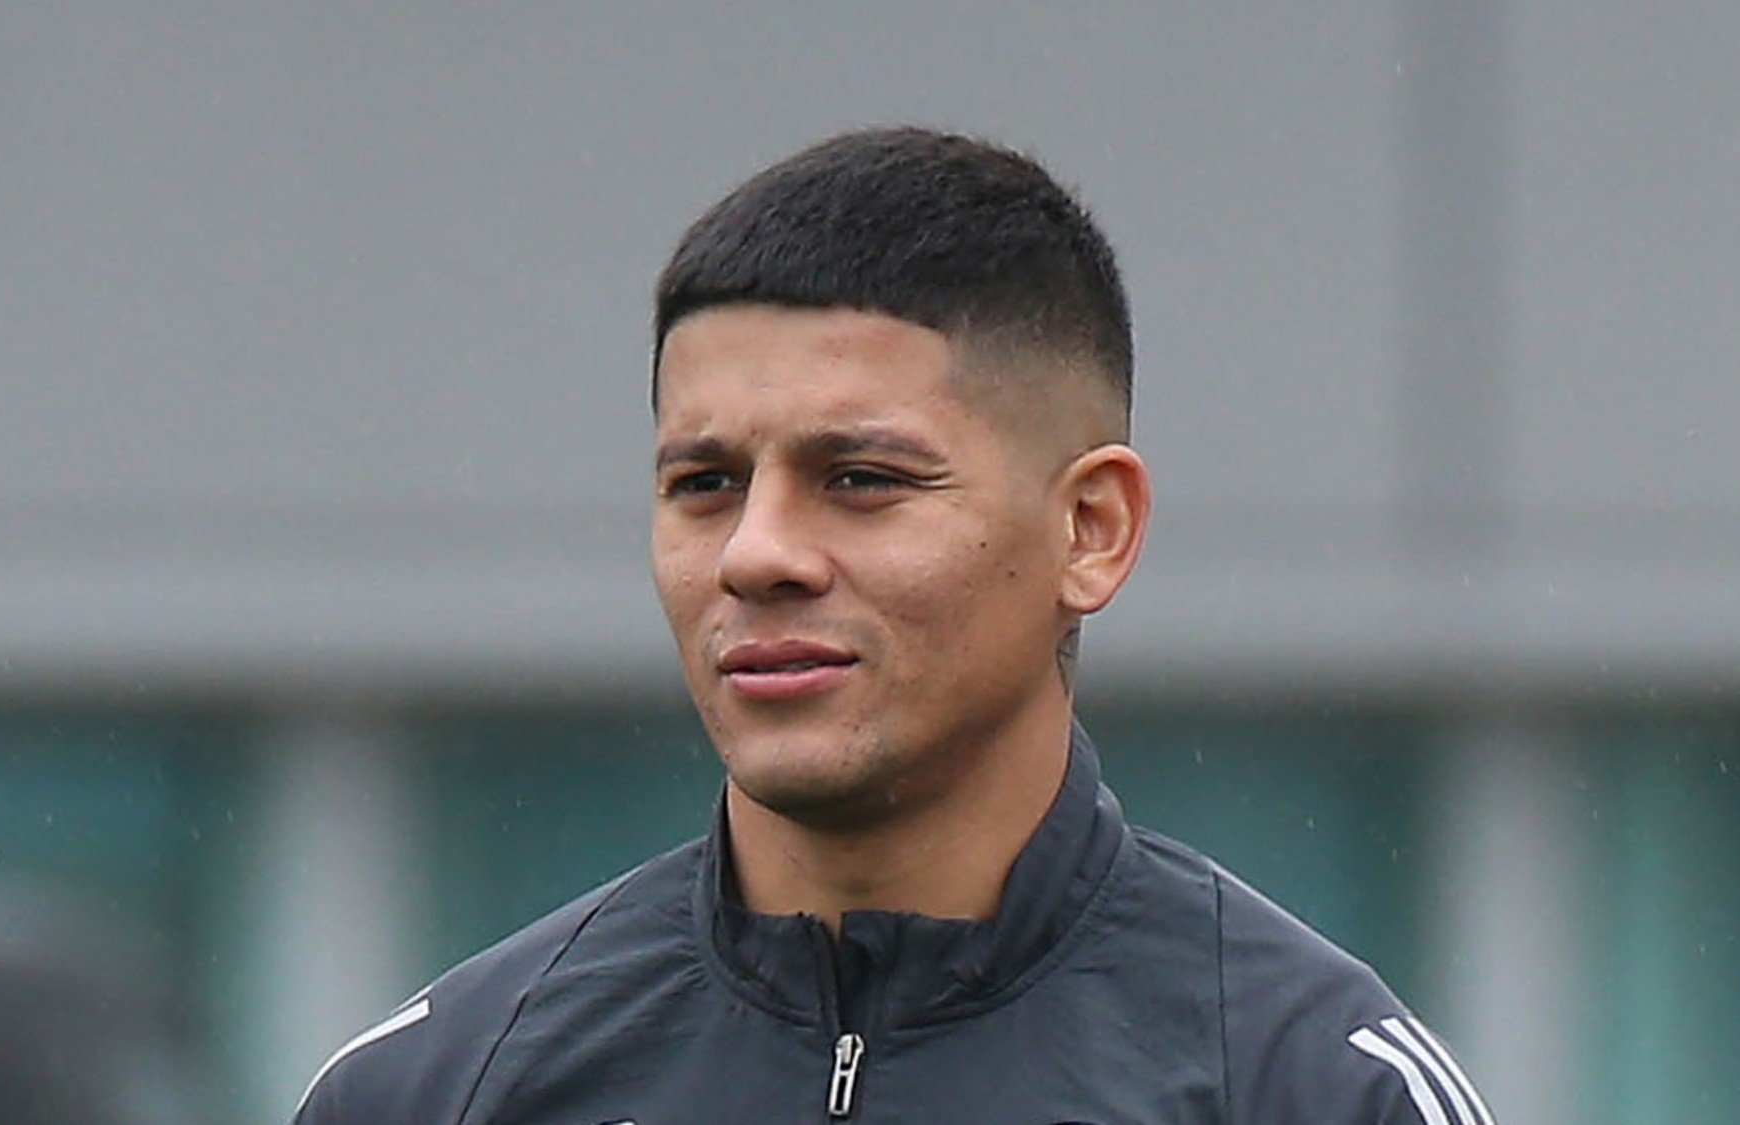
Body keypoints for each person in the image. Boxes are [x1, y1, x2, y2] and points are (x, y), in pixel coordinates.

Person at [293, 127, 1496, 1124]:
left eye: (861, 478)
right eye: (703, 484)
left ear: (1089, 530)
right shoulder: (431, 1089)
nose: (755, 553)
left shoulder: (1312, 1087)